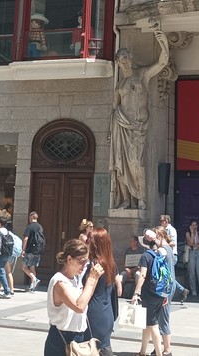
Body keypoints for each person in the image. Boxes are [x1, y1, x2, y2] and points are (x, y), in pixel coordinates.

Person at [111, 28, 171, 209]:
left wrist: (163, 43)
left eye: (126, 60)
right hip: (121, 125)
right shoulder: (120, 82)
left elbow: (162, 62)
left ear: (130, 59)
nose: (124, 64)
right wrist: (110, 132)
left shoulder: (142, 74)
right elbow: (115, 107)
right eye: (120, 62)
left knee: (136, 163)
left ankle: (141, 198)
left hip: (138, 127)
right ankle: (126, 199)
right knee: (120, 164)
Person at [45, 238, 105, 356]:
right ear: (69, 259)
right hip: (61, 338)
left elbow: (85, 299)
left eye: (86, 262)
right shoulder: (59, 282)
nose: (84, 266)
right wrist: (91, 280)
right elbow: (79, 307)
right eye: (81, 261)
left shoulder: (76, 279)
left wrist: (95, 278)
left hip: (79, 335)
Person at [131, 229, 169, 356]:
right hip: (159, 292)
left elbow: (142, 275)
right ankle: (142, 351)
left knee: (153, 325)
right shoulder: (159, 254)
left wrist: (136, 293)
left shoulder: (145, 256)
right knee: (148, 322)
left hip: (149, 292)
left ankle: (159, 353)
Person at [87, 227, 122, 356]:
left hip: (93, 313)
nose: (87, 242)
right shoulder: (111, 264)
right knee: (103, 347)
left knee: (93, 349)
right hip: (107, 313)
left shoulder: (93, 265)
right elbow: (118, 290)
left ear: (95, 244)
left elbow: (87, 292)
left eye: (90, 240)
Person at [159, 213, 188, 304]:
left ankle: (171, 295)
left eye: (161, 221)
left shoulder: (171, 230)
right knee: (168, 276)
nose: (160, 222)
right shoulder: (163, 230)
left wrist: (163, 244)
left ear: (166, 221)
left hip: (171, 255)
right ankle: (182, 290)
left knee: (168, 276)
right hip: (166, 255)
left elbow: (173, 243)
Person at [21, 211, 45, 292]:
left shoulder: (30, 227)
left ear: (31, 217)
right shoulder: (40, 227)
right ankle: (32, 287)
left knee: (24, 267)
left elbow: (26, 238)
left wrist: (23, 249)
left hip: (30, 249)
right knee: (32, 267)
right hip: (37, 250)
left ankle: (34, 279)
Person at [184, 220, 199, 298]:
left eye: (196, 225)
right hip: (191, 252)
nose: (194, 226)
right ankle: (193, 290)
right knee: (192, 272)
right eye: (193, 225)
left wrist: (195, 245)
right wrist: (192, 233)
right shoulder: (188, 233)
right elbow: (190, 243)